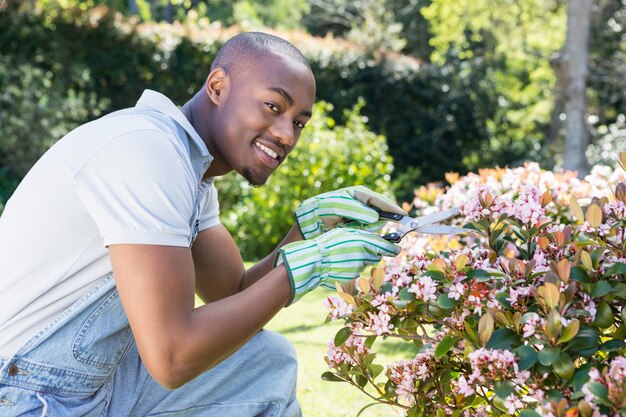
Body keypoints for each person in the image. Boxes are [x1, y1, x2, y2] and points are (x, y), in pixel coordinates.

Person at [0, 32, 405, 416]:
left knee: (266, 364)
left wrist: (305, 234)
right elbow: (172, 357)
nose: (286, 135)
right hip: (24, 390)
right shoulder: (146, 150)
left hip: (84, 381)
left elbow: (232, 294)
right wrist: (309, 266)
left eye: (299, 122)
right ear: (216, 86)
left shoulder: (191, 171)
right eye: (273, 107)